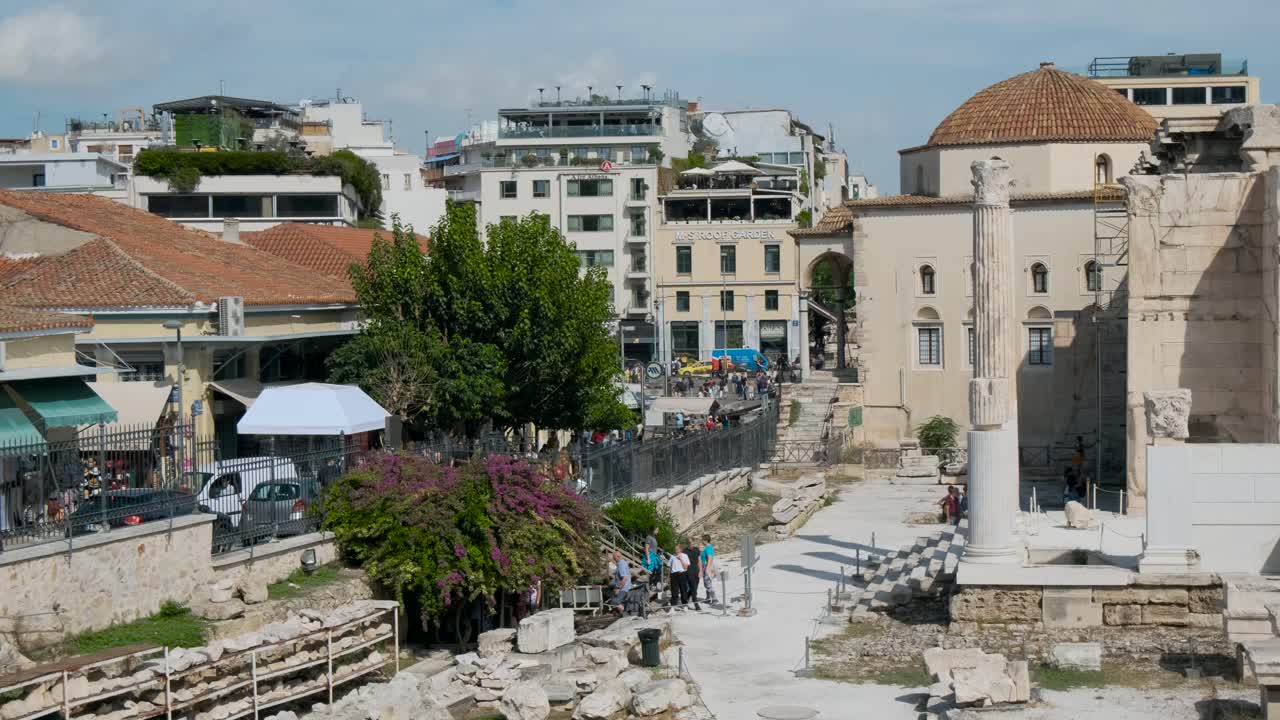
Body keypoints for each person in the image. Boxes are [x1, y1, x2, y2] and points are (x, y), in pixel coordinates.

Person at [667, 547, 687, 611]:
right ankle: (673, 605)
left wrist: (681, 559)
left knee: (683, 590)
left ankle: (685, 605)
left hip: (682, 573)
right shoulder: (672, 556)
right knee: (674, 591)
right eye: (675, 549)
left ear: (681, 549)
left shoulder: (685, 556)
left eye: (677, 549)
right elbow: (669, 567)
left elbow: (685, 567)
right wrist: (668, 577)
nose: (676, 550)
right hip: (674, 574)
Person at [684, 539, 702, 611]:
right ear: (687, 543)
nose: (691, 544)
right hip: (689, 571)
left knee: (695, 587)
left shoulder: (697, 549)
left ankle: (685, 600)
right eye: (689, 543)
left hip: (696, 570)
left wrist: (701, 570)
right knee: (693, 587)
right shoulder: (684, 551)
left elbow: (699, 560)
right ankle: (696, 604)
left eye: (692, 543)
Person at [700, 534, 718, 604]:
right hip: (705, 566)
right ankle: (708, 598)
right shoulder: (707, 547)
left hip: (707, 566)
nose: (701, 541)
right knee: (706, 583)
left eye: (702, 540)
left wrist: (707, 568)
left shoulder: (708, 548)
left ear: (706, 540)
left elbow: (710, 558)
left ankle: (714, 599)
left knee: (707, 583)